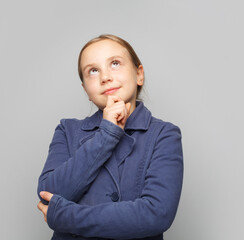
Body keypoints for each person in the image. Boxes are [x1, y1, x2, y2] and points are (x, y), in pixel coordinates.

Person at [37, 34, 183, 240]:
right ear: (86, 89)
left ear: (139, 74)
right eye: (93, 71)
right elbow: (48, 193)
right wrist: (107, 134)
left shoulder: (164, 134)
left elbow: (157, 214)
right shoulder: (67, 130)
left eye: (115, 63)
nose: (105, 77)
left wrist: (67, 216)